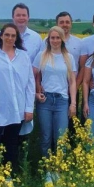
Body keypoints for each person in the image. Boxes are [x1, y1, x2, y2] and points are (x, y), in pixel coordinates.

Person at [0, 23, 35, 173]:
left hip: (17, 108)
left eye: (13, 35)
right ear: (1, 36)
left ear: (16, 38)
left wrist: (29, 108)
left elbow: (30, 84)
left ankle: (8, 177)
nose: (10, 38)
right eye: (7, 35)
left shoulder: (23, 56)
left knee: (11, 144)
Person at [0, 3, 43, 137]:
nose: (21, 18)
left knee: (18, 132)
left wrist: (36, 90)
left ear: (28, 17)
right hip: (2, 91)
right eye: (18, 15)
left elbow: (39, 66)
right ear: (13, 17)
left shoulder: (36, 38)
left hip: (24, 91)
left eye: (23, 15)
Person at [33, 26, 77, 159]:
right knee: (46, 136)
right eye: (52, 37)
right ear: (48, 39)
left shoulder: (68, 57)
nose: (55, 40)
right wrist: (37, 88)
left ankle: (58, 168)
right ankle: (47, 168)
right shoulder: (42, 55)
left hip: (62, 100)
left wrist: (73, 103)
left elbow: (72, 82)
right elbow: (33, 75)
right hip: (45, 100)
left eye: (58, 38)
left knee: (61, 137)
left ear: (62, 39)